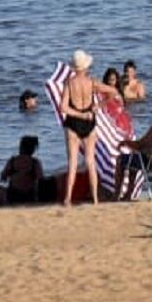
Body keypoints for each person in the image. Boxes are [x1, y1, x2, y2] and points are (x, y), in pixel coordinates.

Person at [59, 50, 102, 205]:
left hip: (73, 123)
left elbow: (63, 107)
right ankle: (96, 199)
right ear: (85, 66)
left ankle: (68, 198)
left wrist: (79, 114)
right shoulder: (91, 82)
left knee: (73, 163)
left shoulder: (69, 83)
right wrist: (97, 107)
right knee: (91, 161)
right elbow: (112, 93)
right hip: (89, 122)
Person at [0, 135, 46, 205]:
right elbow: (41, 181)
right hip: (29, 197)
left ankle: (5, 204)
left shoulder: (13, 161)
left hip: (13, 197)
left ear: (21, 147)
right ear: (33, 150)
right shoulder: (35, 163)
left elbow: (3, 177)